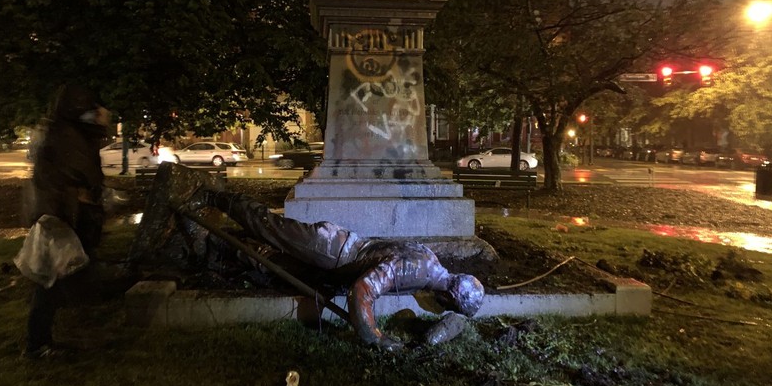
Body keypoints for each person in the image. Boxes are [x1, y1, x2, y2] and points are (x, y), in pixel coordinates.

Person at [131, 163, 485, 351]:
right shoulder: (416, 269)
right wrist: (374, 336)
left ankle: (217, 244)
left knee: (267, 253)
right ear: (448, 297)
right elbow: (363, 290)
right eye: (447, 308)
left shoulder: (431, 261)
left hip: (334, 257)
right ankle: (211, 197)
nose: (439, 310)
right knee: (269, 226)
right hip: (330, 248)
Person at [24, 84, 109, 359]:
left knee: (65, 278)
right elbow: (77, 175)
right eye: (90, 109)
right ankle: (38, 343)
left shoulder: (68, 131)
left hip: (65, 216)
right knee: (54, 281)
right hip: (62, 218)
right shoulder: (65, 135)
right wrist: (83, 196)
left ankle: (49, 339)